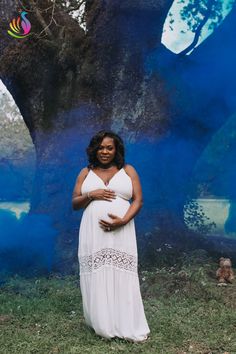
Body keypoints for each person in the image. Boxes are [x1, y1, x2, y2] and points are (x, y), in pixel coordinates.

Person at [72, 129, 150, 343]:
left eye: (109, 147)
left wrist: (123, 220)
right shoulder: (85, 173)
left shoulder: (128, 170)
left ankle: (125, 322)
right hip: (93, 232)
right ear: (94, 150)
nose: (104, 151)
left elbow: (138, 200)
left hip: (122, 229)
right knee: (97, 273)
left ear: (116, 150)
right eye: (100, 147)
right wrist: (91, 194)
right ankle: (101, 323)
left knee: (122, 272)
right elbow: (74, 203)